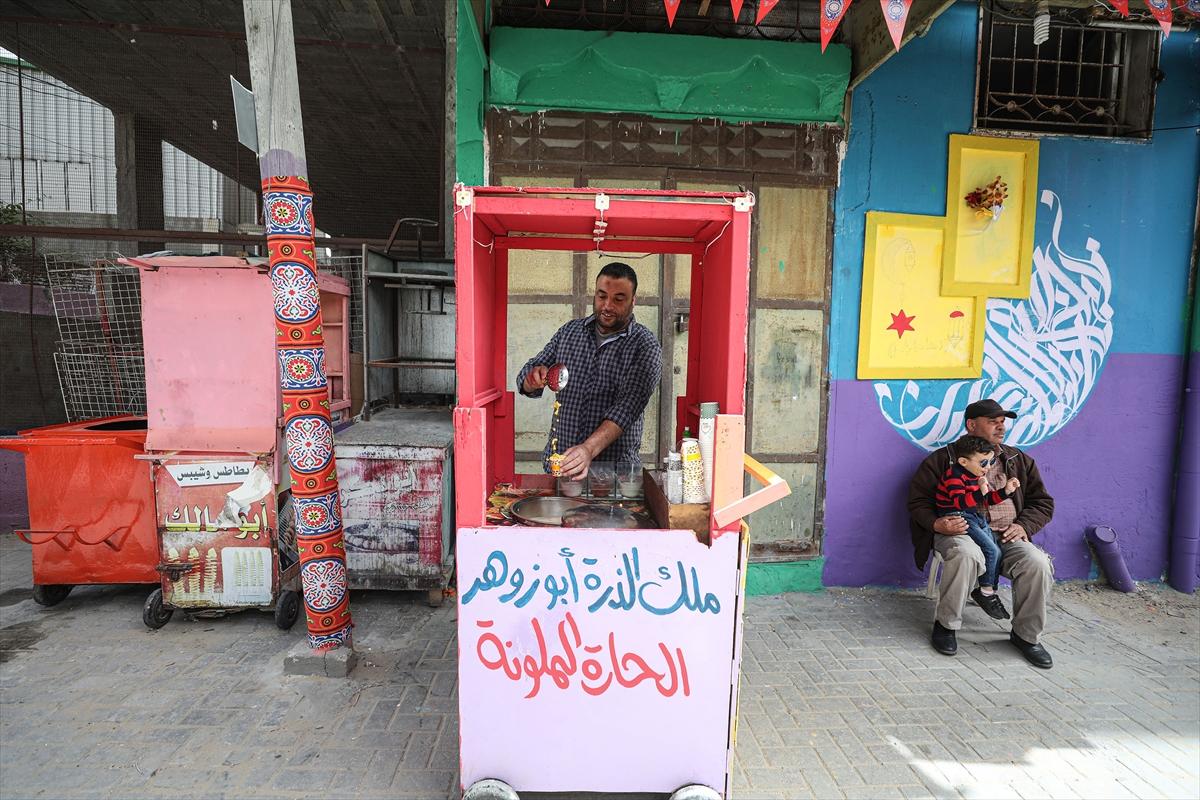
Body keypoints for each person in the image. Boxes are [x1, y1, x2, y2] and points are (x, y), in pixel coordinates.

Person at [908, 399, 1056, 668]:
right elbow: (918, 502)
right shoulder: (944, 460)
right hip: (961, 530)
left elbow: (1043, 503)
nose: (1001, 427)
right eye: (993, 422)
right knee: (966, 554)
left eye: (1003, 423)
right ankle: (946, 626)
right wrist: (936, 524)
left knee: (1037, 563)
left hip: (1006, 535)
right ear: (971, 425)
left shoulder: (1017, 459)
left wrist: (1024, 526)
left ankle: (1026, 636)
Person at [516, 262, 662, 479]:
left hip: (612, 477)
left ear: (633, 301)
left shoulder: (645, 345)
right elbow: (527, 373)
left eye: (618, 299)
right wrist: (533, 378)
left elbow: (627, 408)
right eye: (602, 296)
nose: (607, 306)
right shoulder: (570, 332)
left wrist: (588, 449)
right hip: (561, 466)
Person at [934, 434, 1021, 621]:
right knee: (990, 549)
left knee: (996, 550)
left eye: (990, 462)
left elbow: (988, 500)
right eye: (983, 463)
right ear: (963, 461)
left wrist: (1006, 491)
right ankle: (986, 592)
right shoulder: (954, 476)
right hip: (957, 516)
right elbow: (959, 503)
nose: (988, 468)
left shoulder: (975, 474)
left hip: (974, 515)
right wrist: (981, 491)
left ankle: (989, 589)